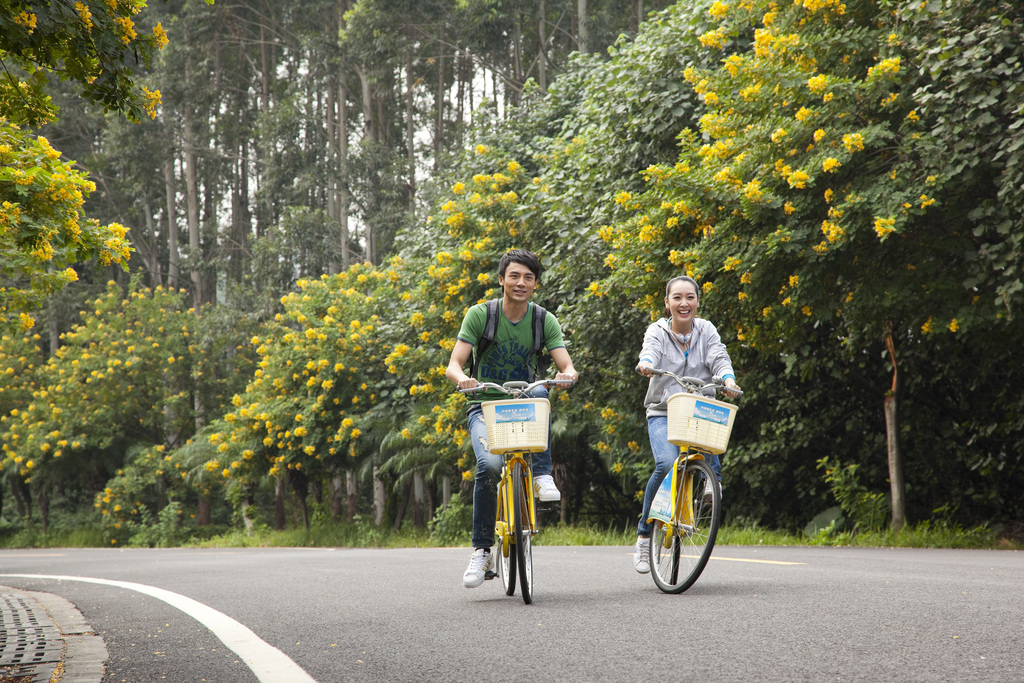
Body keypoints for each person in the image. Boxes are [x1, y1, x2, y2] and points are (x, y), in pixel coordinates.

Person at [445, 249, 579, 588]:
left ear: (535, 284)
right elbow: (454, 364)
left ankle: (542, 475)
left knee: (540, 392)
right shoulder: (481, 315)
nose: (521, 283)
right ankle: (482, 550)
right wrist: (462, 378)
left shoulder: (542, 320)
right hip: (485, 405)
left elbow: (566, 364)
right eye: (515, 276)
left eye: (528, 278)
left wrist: (568, 373)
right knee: (489, 466)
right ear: (502, 279)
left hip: (524, 403)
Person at [632, 275, 740, 574]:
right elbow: (650, 351)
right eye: (677, 298)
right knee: (667, 463)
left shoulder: (706, 329)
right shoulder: (657, 330)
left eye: (690, 297)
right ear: (667, 303)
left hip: (700, 409)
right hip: (664, 411)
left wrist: (728, 380)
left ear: (697, 301)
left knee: (713, 437)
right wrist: (645, 363)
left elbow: (719, 357)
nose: (684, 303)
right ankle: (644, 535)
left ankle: (709, 482)